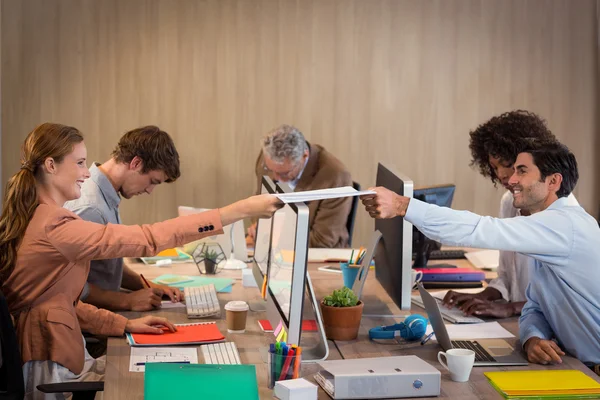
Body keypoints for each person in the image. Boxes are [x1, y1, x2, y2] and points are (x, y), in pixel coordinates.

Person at [0, 123, 281, 399]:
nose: (86, 173)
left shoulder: (42, 217)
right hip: (51, 363)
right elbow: (147, 238)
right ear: (50, 165)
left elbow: (59, 305)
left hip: (60, 353)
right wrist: (237, 210)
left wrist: (124, 324)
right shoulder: (54, 224)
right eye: (81, 163)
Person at [360, 140, 600, 368]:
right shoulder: (547, 229)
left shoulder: (566, 225)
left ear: (553, 181)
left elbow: (479, 228)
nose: (512, 179)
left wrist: (403, 205)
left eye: (522, 171)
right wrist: (532, 338)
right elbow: (535, 308)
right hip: (576, 363)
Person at [443, 110, 578, 318]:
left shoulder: (562, 213)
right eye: (494, 167)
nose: (502, 175)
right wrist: (482, 296)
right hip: (521, 323)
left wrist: (510, 308)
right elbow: (507, 277)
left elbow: (565, 299)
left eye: (507, 165)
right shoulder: (509, 202)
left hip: (551, 331)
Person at [65, 126, 183, 312]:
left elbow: (107, 266)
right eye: (152, 182)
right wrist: (126, 301)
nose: (149, 191)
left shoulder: (106, 197)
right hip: (87, 325)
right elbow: (66, 283)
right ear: (136, 163)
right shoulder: (91, 208)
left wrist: (150, 286)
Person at [248, 124, 352, 248]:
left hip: (316, 256)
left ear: (304, 156)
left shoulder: (335, 178)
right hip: (269, 249)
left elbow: (322, 241)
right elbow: (260, 206)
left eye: (284, 173)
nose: (275, 178)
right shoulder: (268, 160)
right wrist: (259, 228)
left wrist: (271, 236)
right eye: (270, 169)